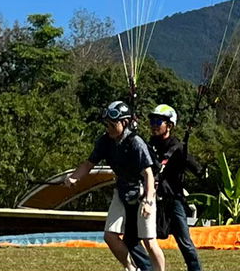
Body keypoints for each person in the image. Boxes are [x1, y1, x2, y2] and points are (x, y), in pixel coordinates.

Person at [60, 101, 168, 271]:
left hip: (143, 192)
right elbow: (88, 164)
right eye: (106, 124)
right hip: (122, 190)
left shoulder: (136, 143)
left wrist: (148, 201)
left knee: (149, 240)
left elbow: (148, 174)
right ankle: (132, 269)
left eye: (112, 124)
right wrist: (74, 178)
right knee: (110, 236)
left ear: (124, 123)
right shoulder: (105, 141)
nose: (108, 128)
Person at [147, 105, 202, 271]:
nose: (154, 125)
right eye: (152, 121)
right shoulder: (150, 145)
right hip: (153, 199)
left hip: (174, 200)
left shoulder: (178, 147)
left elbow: (197, 169)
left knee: (184, 242)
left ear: (169, 125)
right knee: (145, 238)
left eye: (158, 121)